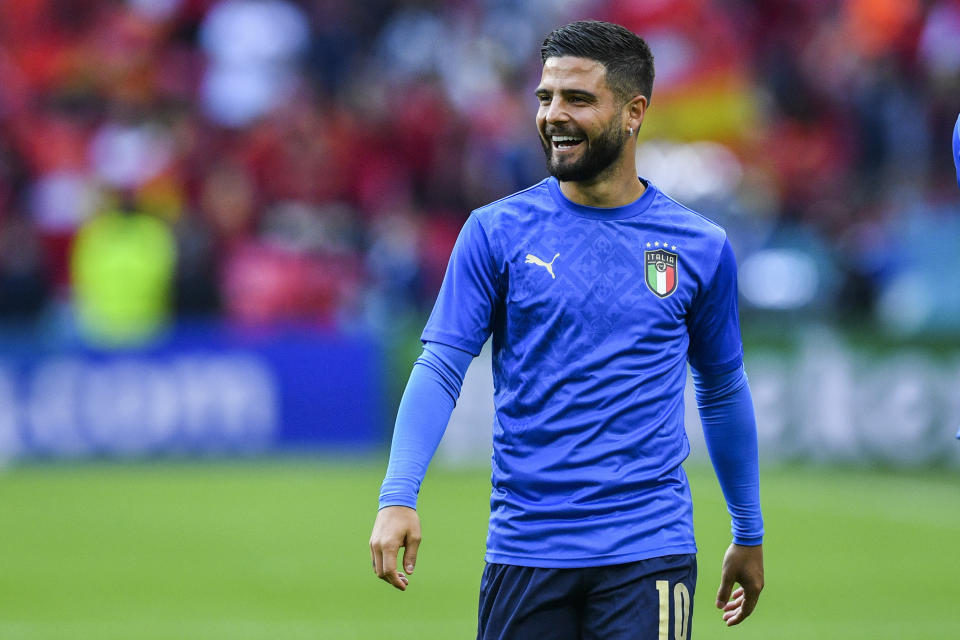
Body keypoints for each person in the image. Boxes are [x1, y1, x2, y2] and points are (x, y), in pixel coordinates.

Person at [369, 20, 764, 638]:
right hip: (525, 548)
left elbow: (721, 390)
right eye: (546, 97)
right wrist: (398, 494)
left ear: (634, 113)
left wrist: (748, 530)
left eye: (577, 99)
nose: (554, 114)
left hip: (649, 549)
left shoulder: (699, 246)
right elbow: (441, 368)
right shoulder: (495, 232)